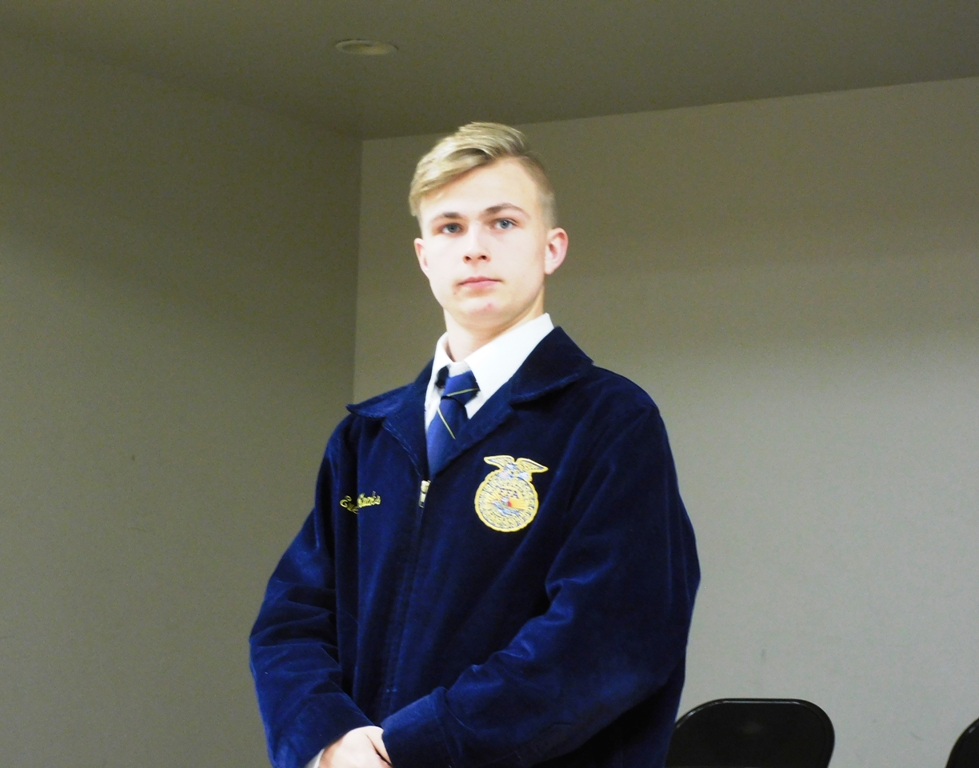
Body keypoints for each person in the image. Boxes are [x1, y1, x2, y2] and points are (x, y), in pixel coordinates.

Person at [250, 122, 699, 768]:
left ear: (552, 247)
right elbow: (292, 619)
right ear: (424, 256)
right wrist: (330, 740)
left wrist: (414, 746)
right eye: (450, 227)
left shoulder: (609, 421)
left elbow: (610, 638)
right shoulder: (366, 437)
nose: (475, 249)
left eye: (503, 223)